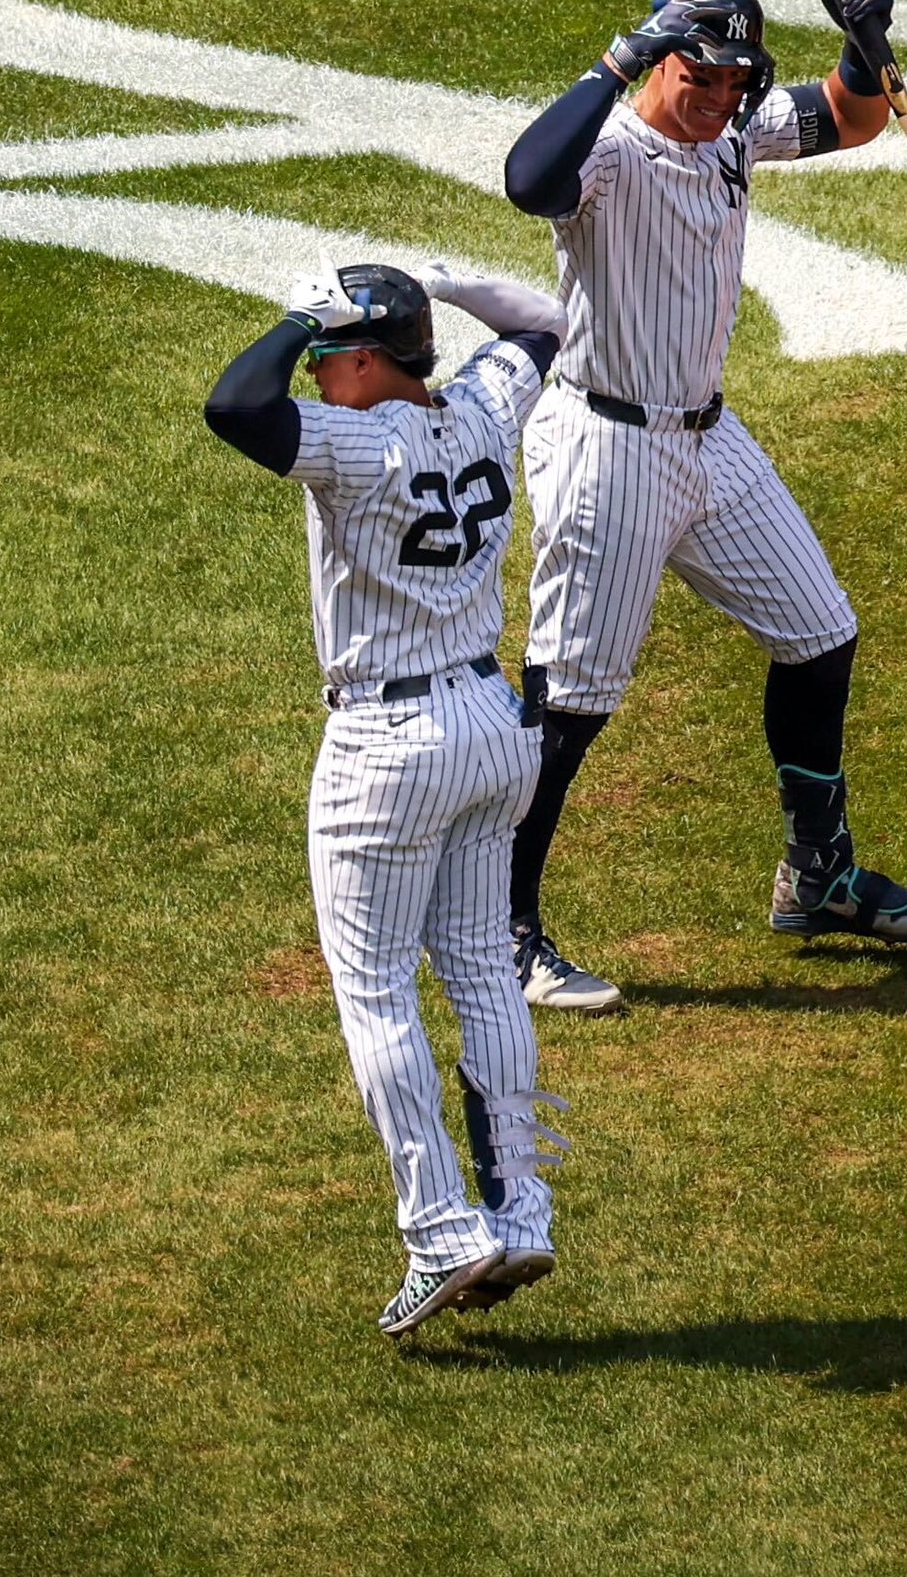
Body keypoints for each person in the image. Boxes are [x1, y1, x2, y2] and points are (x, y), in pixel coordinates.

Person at [500, 0, 907, 1014]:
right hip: (606, 444)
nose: (717, 103)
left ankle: (817, 874)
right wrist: (614, 55)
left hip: (706, 437)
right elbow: (527, 180)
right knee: (568, 699)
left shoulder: (737, 135)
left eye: (734, 83)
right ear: (662, 59)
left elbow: (851, 116)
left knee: (818, 631)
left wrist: (861, 37)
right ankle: (502, 925)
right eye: (699, 79)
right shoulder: (607, 153)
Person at [204, 257, 573, 1337]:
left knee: (374, 993)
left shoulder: (354, 447)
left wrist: (295, 317)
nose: (315, 376)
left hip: (387, 745)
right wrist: (446, 284)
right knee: (476, 969)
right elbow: (545, 320)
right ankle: (521, 1205)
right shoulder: (482, 402)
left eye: (328, 360)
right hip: (492, 724)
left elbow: (234, 404)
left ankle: (442, 1231)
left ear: (366, 360)